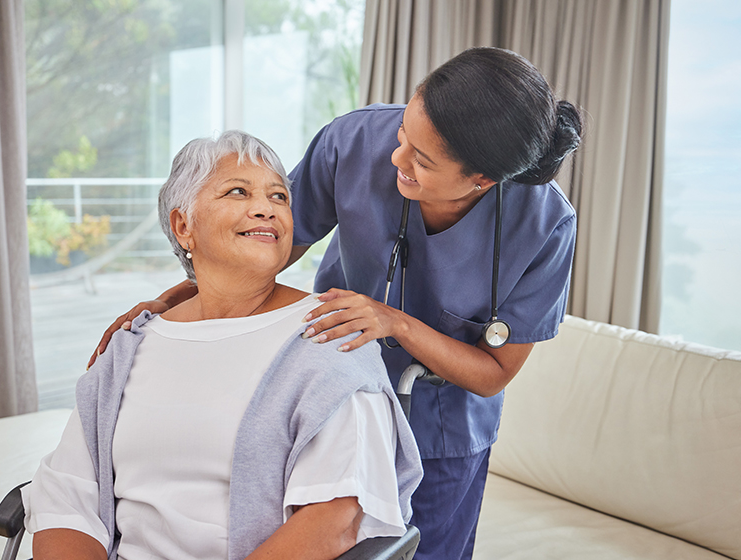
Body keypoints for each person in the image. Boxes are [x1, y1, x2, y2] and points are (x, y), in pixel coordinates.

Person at [89, 47, 582, 560]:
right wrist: (174, 301)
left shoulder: (545, 226)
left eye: (422, 160)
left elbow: (492, 373)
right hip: (325, 392)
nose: (396, 159)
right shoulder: (353, 142)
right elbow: (259, 247)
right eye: (403, 135)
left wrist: (394, 323)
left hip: (440, 429)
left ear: (481, 180)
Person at [23, 131, 423, 560]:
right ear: (183, 227)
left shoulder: (330, 337)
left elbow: (335, 517)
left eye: (279, 197)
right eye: (238, 191)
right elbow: (68, 500)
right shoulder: (129, 349)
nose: (265, 209)